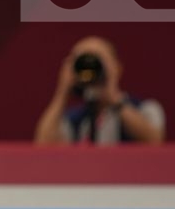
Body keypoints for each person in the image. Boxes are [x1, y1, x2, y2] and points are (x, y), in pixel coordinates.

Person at [35, 37, 165, 145]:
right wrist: (62, 92)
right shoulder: (75, 119)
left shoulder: (146, 108)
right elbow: (43, 144)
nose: (90, 67)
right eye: (82, 60)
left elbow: (154, 141)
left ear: (117, 67)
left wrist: (113, 98)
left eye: (97, 59)